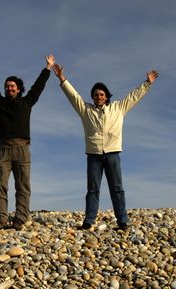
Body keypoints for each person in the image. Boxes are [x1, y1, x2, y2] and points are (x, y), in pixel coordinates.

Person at [52, 62, 158, 231]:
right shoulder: (86, 110)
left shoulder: (118, 108)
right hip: (93, 154)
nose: (98, 97)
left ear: (107, 96)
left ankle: (122, 221)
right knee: (93, 189)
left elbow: (133, 96)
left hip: (113, 153)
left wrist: (147, 83)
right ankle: (88, 221)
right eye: (95, 94)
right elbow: (74, 96)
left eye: (101, 94)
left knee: (117, 188)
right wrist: (62, 79)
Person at [0, 51, 55, 230]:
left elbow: (38, 87)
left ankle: (20, 218)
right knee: (0, 184)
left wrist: (48, 68)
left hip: (22, 148)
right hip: (4, 148)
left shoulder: (27, 102)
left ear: (19, 89)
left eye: (12, 86)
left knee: (23, 185)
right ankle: (2, 219)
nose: (9, 89)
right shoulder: (0, 102)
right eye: (7, 86)